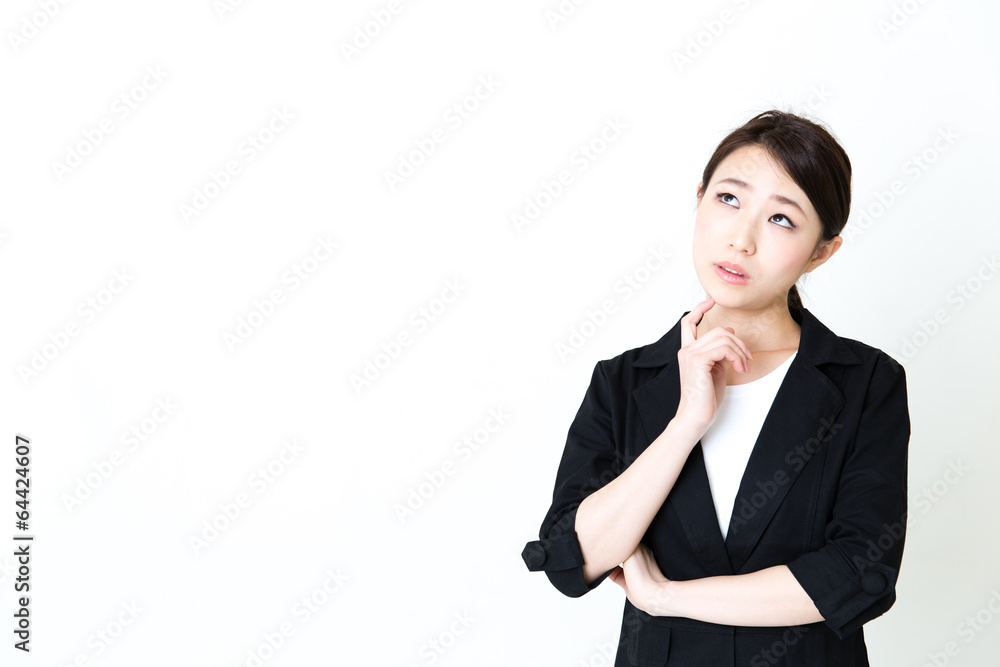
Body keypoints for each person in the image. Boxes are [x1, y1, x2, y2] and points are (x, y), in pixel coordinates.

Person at [521, 109, 911, 665]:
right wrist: (685, 425)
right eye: (729, 199)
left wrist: (667, 597)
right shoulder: (624, 381)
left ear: (822, 251)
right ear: (699, 198)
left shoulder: (866, 382)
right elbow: (572, 558)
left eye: (782, 219)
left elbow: (860, 573)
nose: (741, 239)